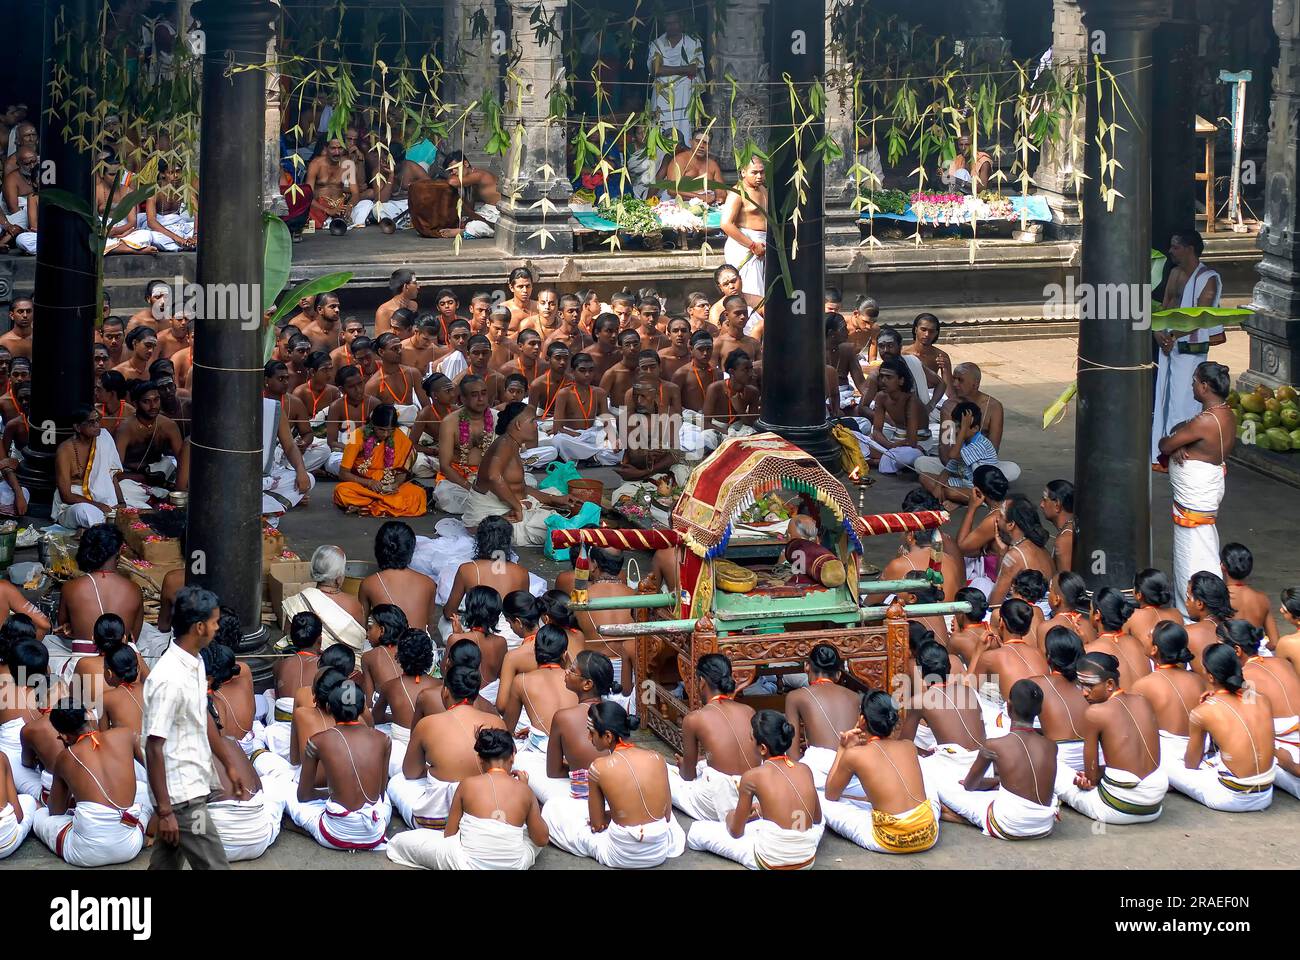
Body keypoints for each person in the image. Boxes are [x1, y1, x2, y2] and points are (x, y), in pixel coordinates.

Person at [143, 585, 230, 869]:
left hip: (190, 784)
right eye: (215, 622)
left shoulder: (195, 660)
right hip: (182, 798)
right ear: (200, 627)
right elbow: (153, 746)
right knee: (215, 866)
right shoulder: (168, 678)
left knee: (165, 864)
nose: (218, 628)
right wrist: (165, 811)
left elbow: (200, 715)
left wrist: (229, 764)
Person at [541, 701, 685, 867]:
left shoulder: (598, 767)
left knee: (553, 808)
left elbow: (597, 825)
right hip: (659, 851)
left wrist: (610, 816)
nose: (589, 737)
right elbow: (666, 815)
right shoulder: (657, 758)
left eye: (591, 732)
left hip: (622, 855)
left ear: (608, 736)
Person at [387, 727, 547, 870]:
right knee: (532, 834)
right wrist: (526, 790)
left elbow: (449, 835)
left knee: (401, 841)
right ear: (513, 755)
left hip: (466, 865)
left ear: (480, 759)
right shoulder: (525, 790)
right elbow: (541, 839)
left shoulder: (467, 784)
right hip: (513, 865)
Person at [936, 679, 1060, 840]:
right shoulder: (1051, 746)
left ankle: (966, 818)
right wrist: (998, 782)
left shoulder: (994, 745)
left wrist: (994, 782)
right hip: (1044, 826)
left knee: (946, 789)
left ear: (1008, 707)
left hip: (1009, 826)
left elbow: (969, 785)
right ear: (1040, 710)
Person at [31, 699, 150, 866]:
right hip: (130, 846)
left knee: (39, 815)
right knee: (145, 790)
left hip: (85, 854)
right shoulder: (126, 734)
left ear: (63, 736)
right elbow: (154, 772)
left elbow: (56, 811)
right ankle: (142, 828)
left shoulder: (65, 757)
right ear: (89, 715)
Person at [1054, 652, 1168, 825]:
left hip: (1117, 808)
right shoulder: (1142, 700)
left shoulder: (1095, 713)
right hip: (1154, 806)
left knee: (1055, 769)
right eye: (1081, 686)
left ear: (1109, 684)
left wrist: (1090, 777)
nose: (1084, 693)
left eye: (1089, 686)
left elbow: (1091, 778)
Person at [390, 663, 506, 830]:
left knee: (396, 782)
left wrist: (434, 770)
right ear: (476, 693)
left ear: (445, 691)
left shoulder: (427, 724)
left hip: (438, 818)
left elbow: (411, 772)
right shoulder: (497, 721)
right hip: (486, 812)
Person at [821, 690, 940, 854]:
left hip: (890, 839)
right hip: (929, 832)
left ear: (862, 720)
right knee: (928, 783)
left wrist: (843, 747)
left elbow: (830, 794)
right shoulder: (909, 746)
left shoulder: (853, 755)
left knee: (822, 800)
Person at [1159, 361, 1235, 614]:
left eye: (1194, 381)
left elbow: (1165, 444)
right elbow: (1179, 433)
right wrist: (1182, 442)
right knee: (1203, 545)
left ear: (1204, 386)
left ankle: (1196, 608)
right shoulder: (1225, 413)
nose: (1191, 384)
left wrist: (1176, 444)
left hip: (1197, 495)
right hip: (1205, 489)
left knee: (1192, 553)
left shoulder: (1205, 421)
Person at [1166, 643, 1277, 810]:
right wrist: (1219, 694)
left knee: (1167, 764)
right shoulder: (1261, 699)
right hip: (1266, 794)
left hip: (1232, 799)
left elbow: (1191, 765)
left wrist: (1216, 698)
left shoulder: (1203, 712)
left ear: (1210, 677)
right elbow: (1245, 694)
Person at [288, 679, 392, 851]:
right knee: (387, 797)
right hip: (374, 833)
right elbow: (380, 794)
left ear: (329, 708)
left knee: (285, 792)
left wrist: (330, 795)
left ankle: (303, 826)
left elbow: (303, 796)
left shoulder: (317, 741)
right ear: (361, 709)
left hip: (335, 834)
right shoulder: (383, 739)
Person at [1153, 230, 1225, 466]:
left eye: (1175, 247)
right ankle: (1163, 452)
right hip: (1169, 346)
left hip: (1191, 350)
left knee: (1186, 399)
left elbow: (1200, 316)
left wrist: (1173, 335)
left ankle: (1183, 450)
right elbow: (1165, 308)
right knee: (1165, 397)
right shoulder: (1174, 273)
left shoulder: (1209, 278)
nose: (1171, 252)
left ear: (1190, 248)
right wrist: (1159, 333)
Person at [464, 402, 574, 545]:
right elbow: (493, 476)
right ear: (518, 425)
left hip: (511, 508)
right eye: (533, 421)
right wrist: (517, 507)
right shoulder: (505, 444)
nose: (536, 425)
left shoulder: (511, 443)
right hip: (487, 523)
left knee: (557, 497)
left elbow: (519, 487)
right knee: (559, 530)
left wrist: (553, 499)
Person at [55, 524, 144, 674]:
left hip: (82, 666)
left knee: (50, 642)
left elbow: (61, 626)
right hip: (122, 665)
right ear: (117, 553)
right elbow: (134, 635)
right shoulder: (134, 589)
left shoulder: (71, 587)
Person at [784, 644, 873, 789]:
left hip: (816, 773)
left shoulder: (795, 696)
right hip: (852, 772)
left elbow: (792, 755)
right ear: (838, 674)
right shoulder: (855, 697)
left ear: (807, 666)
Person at [52, 405, 150, 528]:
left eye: (98, 420)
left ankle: (109, 523)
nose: (97, 425)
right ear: (77, 427)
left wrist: (121, 502)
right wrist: (98, 506)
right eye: (91, 422)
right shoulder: (65, 451)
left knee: (145, 510)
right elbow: (66, 496)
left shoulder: (104, 438)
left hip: (104, 500)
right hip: (75, 504)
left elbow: (111, 476)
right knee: (84, 513)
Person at [1130, 621, 1207, 770]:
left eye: (1149, 636)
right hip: (1200, 749)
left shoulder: (1143, 685)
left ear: (1154, 649)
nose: (1145, 637)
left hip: (1168, 755)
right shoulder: (1197, 679)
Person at [333, 404, 426, 517]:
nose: (386, 434)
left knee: (418, 494)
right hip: (363, 486)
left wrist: (396, 484)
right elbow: (343, 473)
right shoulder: (356, 436)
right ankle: (382, 504)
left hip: (388, 486)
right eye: (381, 430)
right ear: (372, 424)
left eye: (390, 430)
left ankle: (367, 506)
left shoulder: (399, 436)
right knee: (342, 490)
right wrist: (369, 483)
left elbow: (402, 471)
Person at [500, 625, 578, 758]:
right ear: (564, 654)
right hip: (576, 748)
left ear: (535, 652)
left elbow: (507, 729)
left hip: (544, 752)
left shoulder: (521, 681)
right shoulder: (577, 680)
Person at [280, 544, 367, 655]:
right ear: (339, 577)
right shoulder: (355, 605)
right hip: (346, 668)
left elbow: (287, 640)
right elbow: (360, 642)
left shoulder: (298, 602)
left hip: (303, 664)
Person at [372, 628, 436, 776]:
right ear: (429, 657)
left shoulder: (390, 686)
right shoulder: (440, 686)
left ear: (400, 656)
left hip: (401, 753)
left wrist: (396, 717)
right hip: (432, 749)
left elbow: (377, 718)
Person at [916, 400, 1000, 506]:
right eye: (955, 426)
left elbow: (952, 455)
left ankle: (957, 502)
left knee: (951, 492)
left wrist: (963, 429)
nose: (956, 431)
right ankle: (950, 500)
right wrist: (938, 488)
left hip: (981, 491)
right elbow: (948, 470)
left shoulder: (980, 444)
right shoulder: (963, 442)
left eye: (960, 427)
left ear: (975, 429)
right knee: (924, 478)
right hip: (964, 483)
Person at [359, 521, 439, 630]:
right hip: (420, 644)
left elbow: (362, 626)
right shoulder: (429, 583)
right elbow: (429, 626)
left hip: (386, 645)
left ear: (378, 549)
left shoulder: (369, 583)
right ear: (410, 550)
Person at [647, 12, 704, 145]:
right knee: (661, 125)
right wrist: (684, 69)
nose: (671, 26)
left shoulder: (693, 43)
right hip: (662, 94)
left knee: (684, 124)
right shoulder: (657, 44)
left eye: (674, 23)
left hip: (684, 92)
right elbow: (656, 70)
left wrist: (666, 70)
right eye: (668, 23)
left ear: (681, 24)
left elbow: (695, 69)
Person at [1087, 588, 1152, 690]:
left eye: (1090, 609)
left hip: (1116, 705)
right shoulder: (1137, 643)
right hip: (1144, 705)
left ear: (1097, 615)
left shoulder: (1089, 651)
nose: (1089, 613)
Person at [1220, 543, 1281, 648]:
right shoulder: (1262, 599)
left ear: (1222, 566)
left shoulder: (1219, 599)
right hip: (1254, 657)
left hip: (1227, 658)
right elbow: (1275, 642)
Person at [1183, 572, 1237, 679]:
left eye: (1188, 598)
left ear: (1199, 604)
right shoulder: (1235, 628)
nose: (1186, 603)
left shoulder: (1188, 632)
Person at [358, 604, 408, 705]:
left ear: (382, 631)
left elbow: (369, 701)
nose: (367, 635)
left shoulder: (369, 657)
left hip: (389, 713)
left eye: (369, 628)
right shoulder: (409, 649)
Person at [1126, 568, 1184, 647]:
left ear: (1139, 595)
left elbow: (1122, 646)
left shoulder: (1131, 616)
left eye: (1134, 587)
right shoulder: (1176, 614)